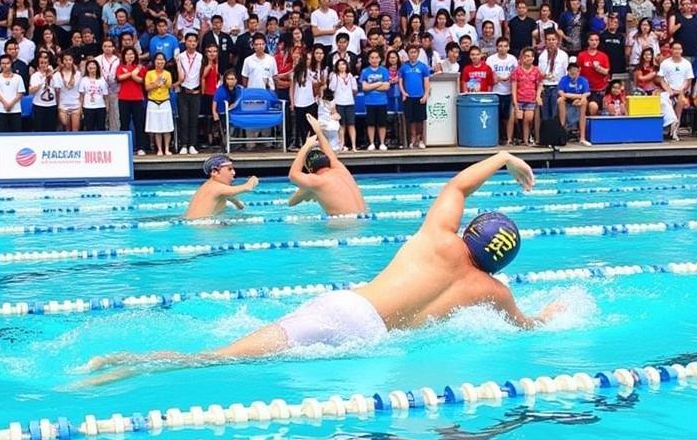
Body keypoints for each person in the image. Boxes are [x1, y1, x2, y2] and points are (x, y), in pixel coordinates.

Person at [82, 152, 562, 381]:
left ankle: (116, 363)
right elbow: (525, 328)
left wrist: (503, 158)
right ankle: (124, 369)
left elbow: (457, 186)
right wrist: (555, 313)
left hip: (344, 305)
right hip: (364, 338)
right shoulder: (492, 292)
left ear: (470, 230)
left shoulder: (437, 239)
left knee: (221, 353)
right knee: (220, 358)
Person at [286, 113, 368, 215]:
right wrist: (319, 133)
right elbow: (331, 156)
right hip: (364, 219)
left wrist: (306, 146)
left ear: (310, 171)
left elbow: (292, 175)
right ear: (327, 162)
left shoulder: (318, 181)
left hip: (344, 225)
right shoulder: (341, 170)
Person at [185, 154, 260, 220]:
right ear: (215, 172)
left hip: (196, 225)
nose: (234, 173)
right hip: (205, 228)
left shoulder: (208, 186)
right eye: (229, 169)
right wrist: (253, 179)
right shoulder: (218, 187)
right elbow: (247, 187)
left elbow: (231, 197)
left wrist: (238, 204)